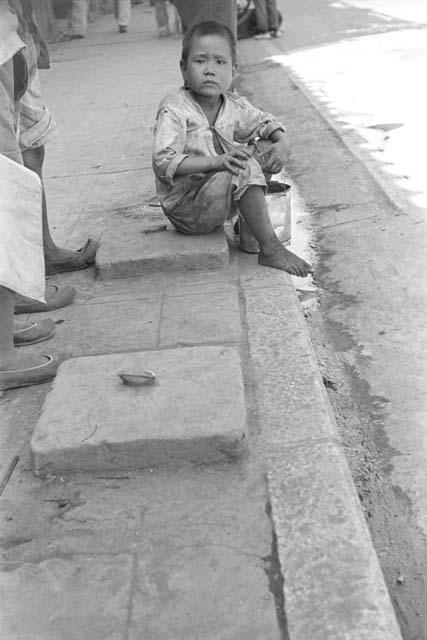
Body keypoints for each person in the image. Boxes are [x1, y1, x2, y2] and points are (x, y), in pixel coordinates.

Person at [152, 20, 312, 277]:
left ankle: (251, 230)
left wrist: (283, 143)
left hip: (217, 197)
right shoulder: (175, 108)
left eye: (219, 62)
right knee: (242, 165)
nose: (210, 70)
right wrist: (218, 162)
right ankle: (271, 248)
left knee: (266, 145)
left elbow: (265, 122)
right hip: (189, 210)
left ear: (233, 70)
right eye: (200, 61)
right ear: (183, 68)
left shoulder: (233, 104)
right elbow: (163, 162)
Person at [14, 0, 99, 288]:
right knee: (13, 158)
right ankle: (22, 274)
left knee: (30, 147)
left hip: (14, 31)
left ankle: (40, 252)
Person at [0, 1, 62, 390]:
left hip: (7, 44)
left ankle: (2, 330)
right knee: (3, 200)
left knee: (11, 187)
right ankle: (1, 353)